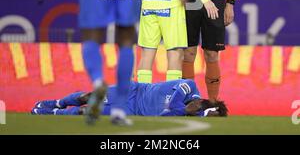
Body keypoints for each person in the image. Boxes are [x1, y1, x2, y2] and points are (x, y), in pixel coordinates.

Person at [31, 79, 228, 118]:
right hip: (134, 91)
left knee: (87, 110)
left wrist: (187, 112)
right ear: (202, 100)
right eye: (199, 106)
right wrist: (185, 110)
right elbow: (173, 105)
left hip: (131, 110)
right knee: (89, 97)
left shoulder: (189, 114)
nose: (195, 108)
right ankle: (58, 102)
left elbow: (164, 115)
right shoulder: (189, 86)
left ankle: (52, 113)